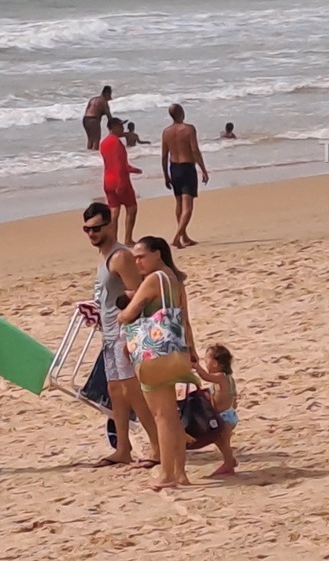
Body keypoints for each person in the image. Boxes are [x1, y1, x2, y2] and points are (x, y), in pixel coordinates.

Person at [117, 237, 202, 490]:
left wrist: (124, 305)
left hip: (153, 353)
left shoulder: (154, 280)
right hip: (174, 350)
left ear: (157, 253)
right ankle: (179, 472)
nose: (137, 261)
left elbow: (127, 314)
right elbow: (184, 317)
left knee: (161, 415)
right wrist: (191, 348)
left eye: (141, 256)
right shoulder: (174, 280)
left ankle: (166, 473)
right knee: (171, 416)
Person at [82, 202, 161, 469]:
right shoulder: (103, 256)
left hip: (123, 333)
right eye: (87, 229)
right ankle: (123, 448)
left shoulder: (120, 256)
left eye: (96, 228)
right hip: (108, 333)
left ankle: (157, 447)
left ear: (109, 225)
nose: (92, 234)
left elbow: (138, 294)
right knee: (116, 392)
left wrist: (129, 333)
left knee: (133, 392)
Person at [161, 104, 210, 249]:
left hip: (174, 168)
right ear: (182, 113)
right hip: (187, 167)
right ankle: (177, 236)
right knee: (187, 207)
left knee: (178, 204)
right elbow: (195, 150)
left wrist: (165, 174)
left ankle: (184, 236)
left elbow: (164, 155)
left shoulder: (166, 132)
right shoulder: (189, 129)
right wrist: (203, 169)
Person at [195, 343, 239, 476]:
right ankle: (230, 460)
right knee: (221, 440)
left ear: (215, 363)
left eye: (206, 360)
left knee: (222, 440)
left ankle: (228, 462)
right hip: (228, 414)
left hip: (225, 417)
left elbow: (204, 376)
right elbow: (233, 396)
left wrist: (196, 366)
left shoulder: (220, 377)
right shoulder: (228, 379)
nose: (205, 363)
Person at [100, 117, 141, 245]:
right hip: (120, 179)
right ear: (113, 127)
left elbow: (111, 163)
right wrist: (121, 183)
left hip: (107, 180)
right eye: (121, 126)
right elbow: (119, 164)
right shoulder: (117, 142)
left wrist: (132, 169)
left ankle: (113, 240)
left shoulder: (103, 143)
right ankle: (128, 239)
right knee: (132, 208)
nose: (123, 128)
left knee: (114, 211)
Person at [83, 86, 113, 150]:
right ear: (107, 93)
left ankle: (88, 154)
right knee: (96, 140)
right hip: (94, 120)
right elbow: (109, 117)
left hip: (85, 119)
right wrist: (115, 124)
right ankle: (93, 156)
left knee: (90, 139)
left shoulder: (93, 99)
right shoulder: (104, 102)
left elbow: (88, 110)